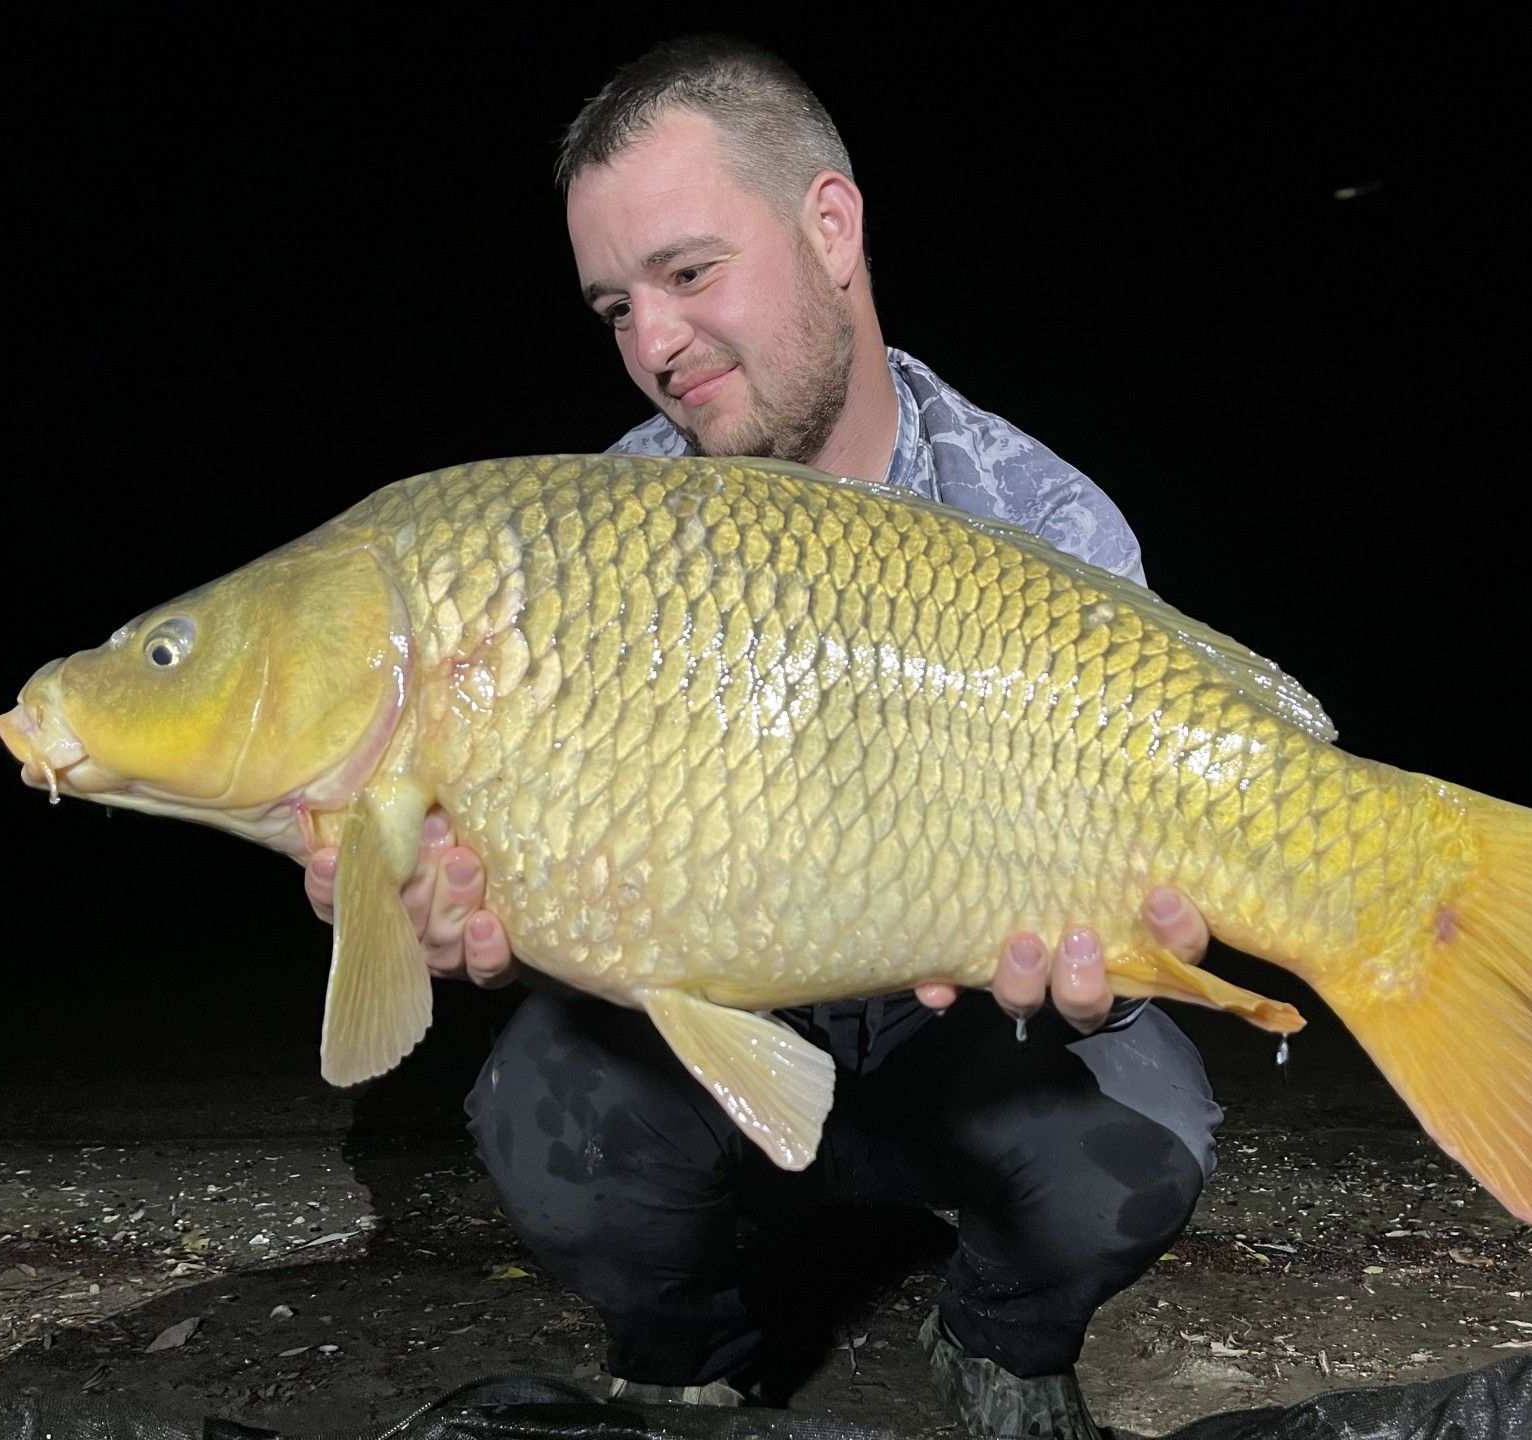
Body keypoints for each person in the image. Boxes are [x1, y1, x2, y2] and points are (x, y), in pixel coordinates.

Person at [305, 36, 1218, 1440]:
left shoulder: (1046, 523)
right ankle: (689, 1352)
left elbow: (1150, 892)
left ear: (830, 228)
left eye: (688, 274)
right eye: (615, 305)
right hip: (720, 1031)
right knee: (542, 1105)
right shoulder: (592, 537)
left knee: (1149, 1128)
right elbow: (536, 881)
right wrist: (437, 895)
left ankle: (999, 1336)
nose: (652, 345)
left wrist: (1115, 960)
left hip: (956, 1037)